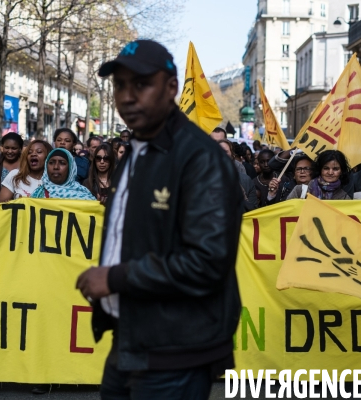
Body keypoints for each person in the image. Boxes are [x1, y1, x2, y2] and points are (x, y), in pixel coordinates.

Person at [75, 39, 242, 399]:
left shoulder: (200, 159)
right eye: (119, 85)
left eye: (141, 84)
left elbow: (206, 262)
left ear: (170, 88)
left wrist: (116, 277)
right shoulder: (136, 152)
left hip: (176, 351)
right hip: (131, 337)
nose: (127, 96)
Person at [31, 148, 95, 200]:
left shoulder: (83, 196)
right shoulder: (37, 194)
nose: (56, 167)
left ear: (70, 168)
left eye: (62, 163)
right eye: (51, 162)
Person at [217, 139, 257, 211]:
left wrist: (241, 197)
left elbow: (254, 211)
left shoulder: (246, 181)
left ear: (232, 155)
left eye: (225, 152)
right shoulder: (204, 180)